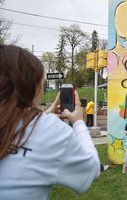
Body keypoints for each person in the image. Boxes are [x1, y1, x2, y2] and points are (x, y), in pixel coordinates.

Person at [0, 45, 100, 200]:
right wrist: (79, 123)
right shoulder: (49, 129)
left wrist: (43, 114)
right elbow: (92, 169)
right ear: (32, 87)